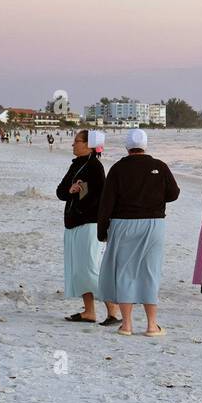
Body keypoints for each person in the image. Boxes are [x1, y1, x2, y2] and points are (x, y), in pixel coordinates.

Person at [97, 128, 179, 336]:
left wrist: (102, 230)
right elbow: (173, 193)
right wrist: (154, 198)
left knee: (125, 272)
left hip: (123, 224)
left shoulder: (117, 168)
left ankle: (127, 325)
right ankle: (152, 325)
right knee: (150, 272)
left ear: (127, 146)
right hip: (153, 224)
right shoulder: (159, 166)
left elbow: (106, 202)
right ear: (145, 145)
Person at [56, 129, 119, 325]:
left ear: (89, 145)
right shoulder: (76, 165)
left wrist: (80, 198)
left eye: (76, 141)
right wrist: (71, 190)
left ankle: (113, 311)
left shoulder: (95, 167)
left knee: (92, 268)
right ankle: (89, 311)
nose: (73, 145)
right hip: (74, 222)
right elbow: (60, 192)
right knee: (79, 270)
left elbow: (99, 197)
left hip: (89, 223)